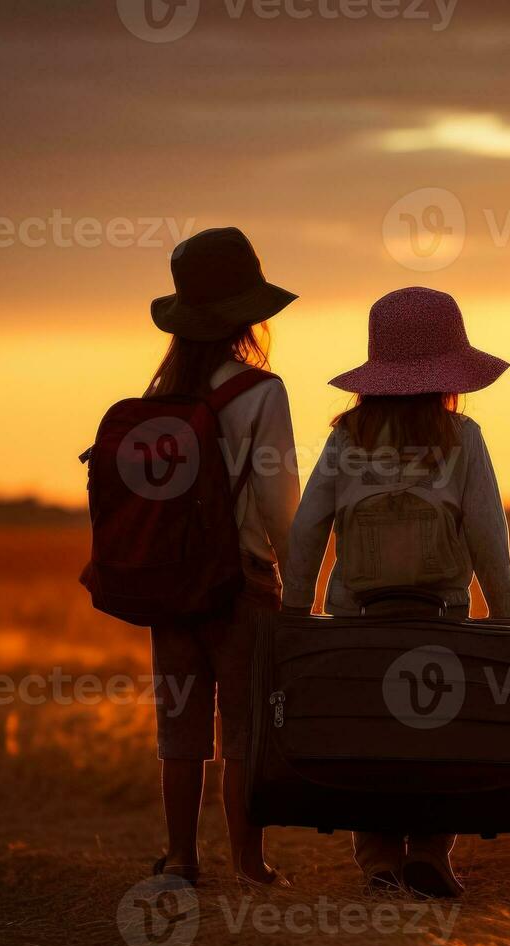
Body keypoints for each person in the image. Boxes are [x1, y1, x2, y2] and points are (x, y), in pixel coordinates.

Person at [281, 285, 510, 898]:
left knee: (366, 727)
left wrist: (296, 611)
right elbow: (487, 533)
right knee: (438, 728)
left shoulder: (345, 437)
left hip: (357, 613)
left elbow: (309, 527)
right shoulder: (462, 437)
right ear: (450, 371)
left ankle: (379, 858)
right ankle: (433, 854)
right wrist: (507, 614)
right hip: (442, 614)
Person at [145, 227, 299, 887]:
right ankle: (249, 863)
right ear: (247, 316)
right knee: (244, 729)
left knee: (180, 726)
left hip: (170, 586)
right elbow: (278, 499)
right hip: (241, 584)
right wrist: (297, 589)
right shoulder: (261, 393)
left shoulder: (159, 395)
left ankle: (181, 858)